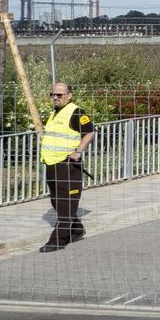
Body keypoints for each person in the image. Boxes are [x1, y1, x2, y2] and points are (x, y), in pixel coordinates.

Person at [40, 82, 95, 252]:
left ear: (69, 95)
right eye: (53, 95)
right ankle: (76, 229)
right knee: (56, 201)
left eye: (59, 95)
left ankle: (58, 240)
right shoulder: (55, 113)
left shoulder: (76, 112)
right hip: (51, 163)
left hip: (67, 165)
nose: (55, 97)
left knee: (66, 204)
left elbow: (90, 132)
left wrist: (78, 151)